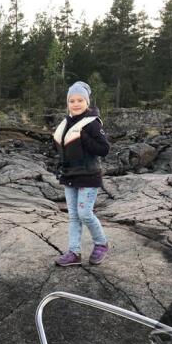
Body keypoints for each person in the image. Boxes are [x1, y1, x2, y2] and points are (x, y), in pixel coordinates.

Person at [52, 81, 110, 266]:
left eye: (80, 100)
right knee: (74, 216)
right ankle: (74, 252)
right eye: (72, 101)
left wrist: (84, 137)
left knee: (84, 213)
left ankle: (101, 244)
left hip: (89, 176)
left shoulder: (92, 124)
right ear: (67, 103)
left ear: (87, 102)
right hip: (69, 175)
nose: (76, 104)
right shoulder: (66, 123)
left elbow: (104, 149)